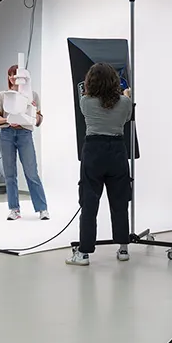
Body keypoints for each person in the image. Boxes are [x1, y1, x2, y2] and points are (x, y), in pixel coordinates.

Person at [68, 63, 133, 266]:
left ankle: (84, 253)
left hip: (94, 150)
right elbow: (127, 118)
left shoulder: (85, 101)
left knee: (89, 203)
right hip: (117, 150)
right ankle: (123, 248)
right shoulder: (125, 102)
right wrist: (127, 95)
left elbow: (88, 100)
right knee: (120, 201)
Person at [0, 64, 48, 220]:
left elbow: (38, 119)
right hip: (6, 133)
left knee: (31, 172)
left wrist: (32, 111)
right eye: (10, 75)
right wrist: (8, 120)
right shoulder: (3, 95)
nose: (12, 78)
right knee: (10, 174)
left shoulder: (33, 95)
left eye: (15, 75)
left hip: (24, 134)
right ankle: (14, 209)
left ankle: (42, 208)